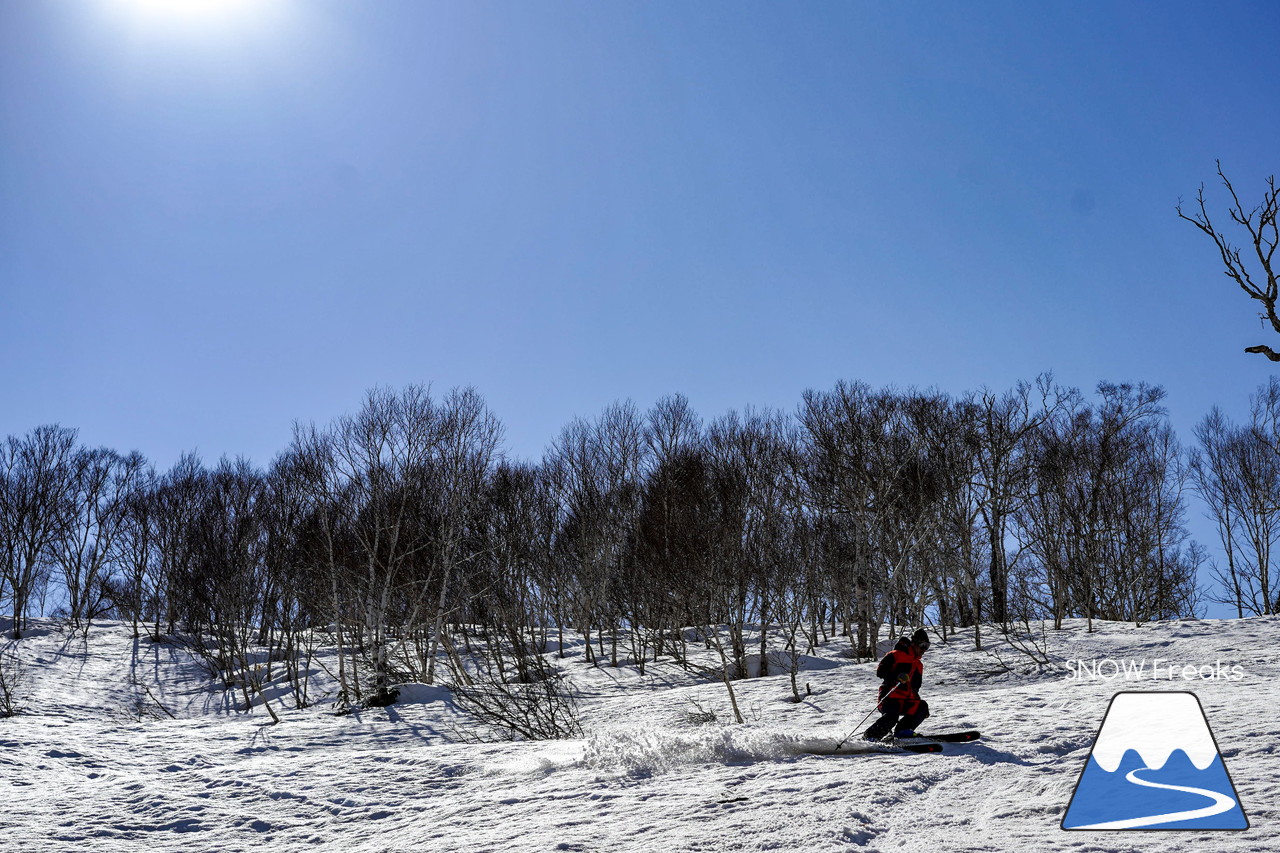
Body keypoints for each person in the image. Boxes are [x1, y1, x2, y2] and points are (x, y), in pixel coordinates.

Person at [864, 628, 930, 741]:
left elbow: (915, 688)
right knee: (892, 716)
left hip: (905, 699)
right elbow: (880, 671)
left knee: (922, 706)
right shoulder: (896, 655)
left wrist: (921, 710)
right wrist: (896, 676)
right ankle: (870, 737)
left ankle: (903, 731)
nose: (924, 649)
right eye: (922, 645)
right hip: (889, 697)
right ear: (914, 643)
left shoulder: (918, 665)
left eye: (927, 646)